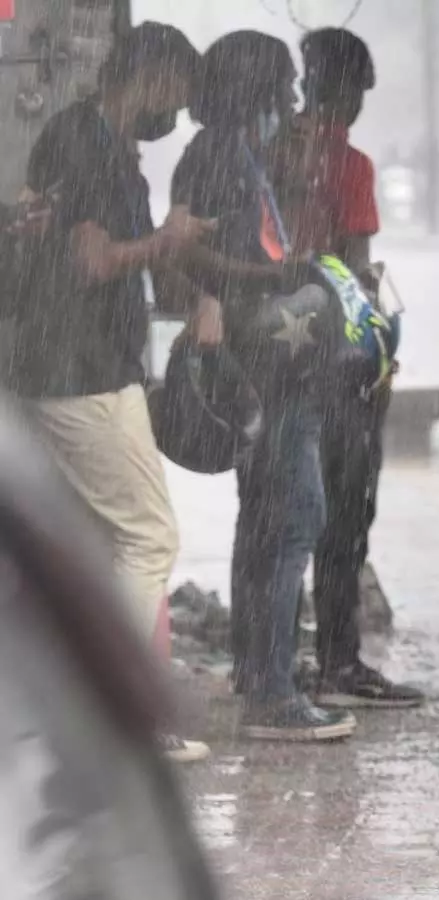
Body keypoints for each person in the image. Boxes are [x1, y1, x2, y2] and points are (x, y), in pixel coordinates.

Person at [14, 22, 216, 763]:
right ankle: (120, 719)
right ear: (153, 73)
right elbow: (93, 262)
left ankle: (59, 708)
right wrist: (168, 239)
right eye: (180, 90)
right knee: (147, 536)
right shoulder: (91, 146)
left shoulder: (87, 139)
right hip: (82, 371)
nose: (181, 109)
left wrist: (189, 286)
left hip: (60, 364)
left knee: (94, 543)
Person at [171, 30, 354, 742]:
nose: (294, 97)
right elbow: (198, 254)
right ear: (255, 87)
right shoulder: (219, 154)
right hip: (269, 368)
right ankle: (274, 695)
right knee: (294, 519)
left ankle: (259, 671)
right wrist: (271, 279)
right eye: (283, 83)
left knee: (267, 521)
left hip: (275, 366)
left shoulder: (236, 151)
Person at [282, 26, 423, 708]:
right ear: (351, 90)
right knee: (344, 514)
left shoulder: (276, 148)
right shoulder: (349, 163)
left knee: (280, 514)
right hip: (338, 365)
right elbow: (355, 271)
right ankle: (339, 663)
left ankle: (273, 666)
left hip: (277, 354)